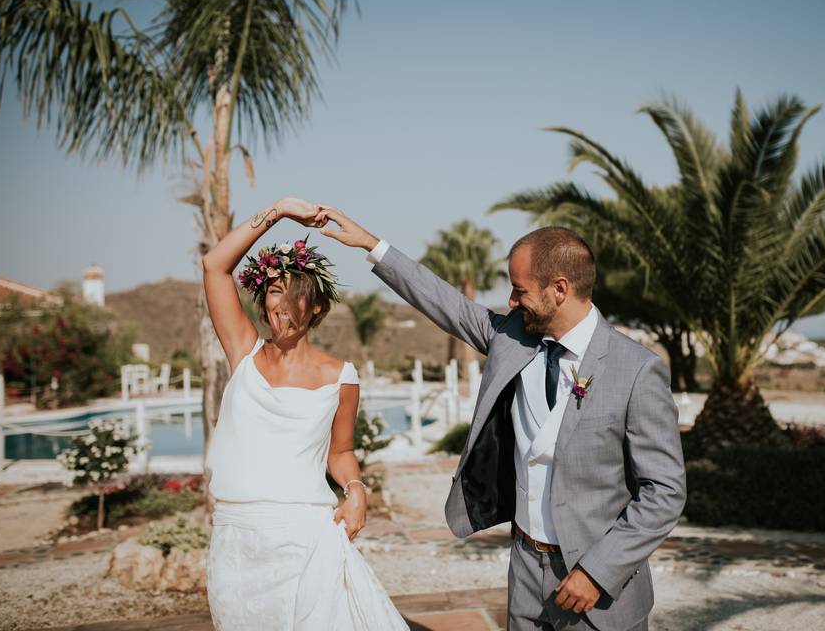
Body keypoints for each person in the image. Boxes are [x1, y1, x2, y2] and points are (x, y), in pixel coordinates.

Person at [316, 205, 686, 631]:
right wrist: (370, 244)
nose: (510, 301)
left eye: (519, 290)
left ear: (559, 289)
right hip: (526, 570)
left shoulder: (636, 369)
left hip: (601, 591)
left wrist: (598, 572)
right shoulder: (513, 337)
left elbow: (664, 491)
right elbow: (446, 303)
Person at [202, 197, 408, 631]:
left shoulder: (341, 377)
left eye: (297, 293)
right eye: (275, 289)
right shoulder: (243, 353)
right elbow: (214, 266)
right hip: (235, 540)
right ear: (262, 297)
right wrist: (277, 211)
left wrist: (355, 489)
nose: (284, 303)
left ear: (316, 307)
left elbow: (341, 451)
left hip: (305, 534)